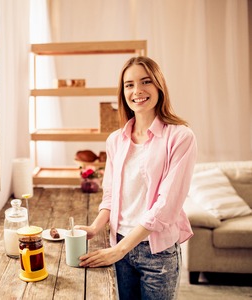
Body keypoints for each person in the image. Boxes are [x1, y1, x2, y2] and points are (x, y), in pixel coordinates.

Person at [77, 56, 197, 300]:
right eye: (129, 84)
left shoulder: (181, 137)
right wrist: (94, 228)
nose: (137, 91)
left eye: (145, 82)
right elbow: (110, 195)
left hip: (157, 253)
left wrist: (119, 250)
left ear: (159, 86)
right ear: (123, 92)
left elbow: (167, 206)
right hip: (118, 242)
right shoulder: (115, 140)